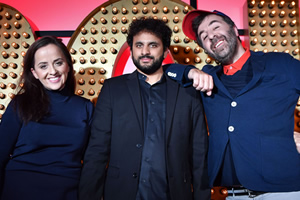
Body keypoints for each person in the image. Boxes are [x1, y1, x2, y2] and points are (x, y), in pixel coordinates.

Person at [165, 9, 300, 199]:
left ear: (234, 29)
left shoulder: (280, 64)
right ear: (205, 48)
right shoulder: (207, 78)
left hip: (284, 191)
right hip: (234, 194)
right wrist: (189, 72)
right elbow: (160, 73)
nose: (211, 36)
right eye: (204, 37)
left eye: (215, 27)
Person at [78, 17, 210, 200]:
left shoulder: (188, 92)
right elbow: (97, 150)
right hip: (122, 193)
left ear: (165, 51)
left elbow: (199, 155)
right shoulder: (112, 89)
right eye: (139, 45)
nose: (145, 51)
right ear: (131, 49)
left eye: (153, 45)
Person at [0, 36, 94, 200]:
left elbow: (93, 160)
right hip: (19, 191)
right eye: (43, 66)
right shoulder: (20, 104)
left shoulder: (86, 107)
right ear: (34, 73)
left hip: (68, 192)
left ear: (68, 66)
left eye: (58, 63)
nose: (53, 71)